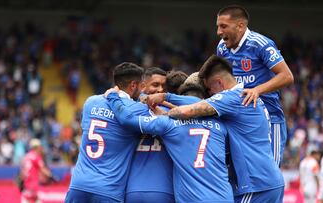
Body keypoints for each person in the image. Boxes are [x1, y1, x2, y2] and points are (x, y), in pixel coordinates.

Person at [159, 55, 284, 202]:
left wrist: (165, 109)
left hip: (256, 184)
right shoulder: (247, 97)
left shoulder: (231, 98)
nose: (210, 94)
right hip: (269, 179)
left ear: (219, 83)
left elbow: (188, 111)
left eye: (210, 89)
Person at [104, 85, 234, 203]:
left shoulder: (169, 124)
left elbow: (128, 120)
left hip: (192, 198)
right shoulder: (222, 126)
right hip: (224, 196)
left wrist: (112, 96)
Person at [216, 5, 294, 166]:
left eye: (223, 26)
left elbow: (287, 76)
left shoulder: (260, 44)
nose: (218, 32)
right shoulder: (222, 48)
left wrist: (257, 90)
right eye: (217, 26)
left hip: (269, 120)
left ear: (240, 26)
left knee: (270, 172)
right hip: (239, 120)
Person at [65, 62, 147, 203]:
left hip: (78, 185)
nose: (142, 90)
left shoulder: (91, 102)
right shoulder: (138, 109)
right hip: (108, 189)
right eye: (141, 86)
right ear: (133, 85)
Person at [125, 67, 174, 203]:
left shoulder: (128, 111)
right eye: (155, 84)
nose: (160, 90)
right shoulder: (173, 113)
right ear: (142, 86)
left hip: (132, 190)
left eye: (164, 86)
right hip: (164, 190)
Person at [20, 138, 52, 203]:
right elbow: (43, 169)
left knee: (29, 199)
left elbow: (22, 170)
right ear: (37, 147)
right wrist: (51, 175)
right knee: (33, 199)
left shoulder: (26, 156)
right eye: (40, 146)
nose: (41, 148)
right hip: (33, 182)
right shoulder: (36, 157)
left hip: (26, 182)